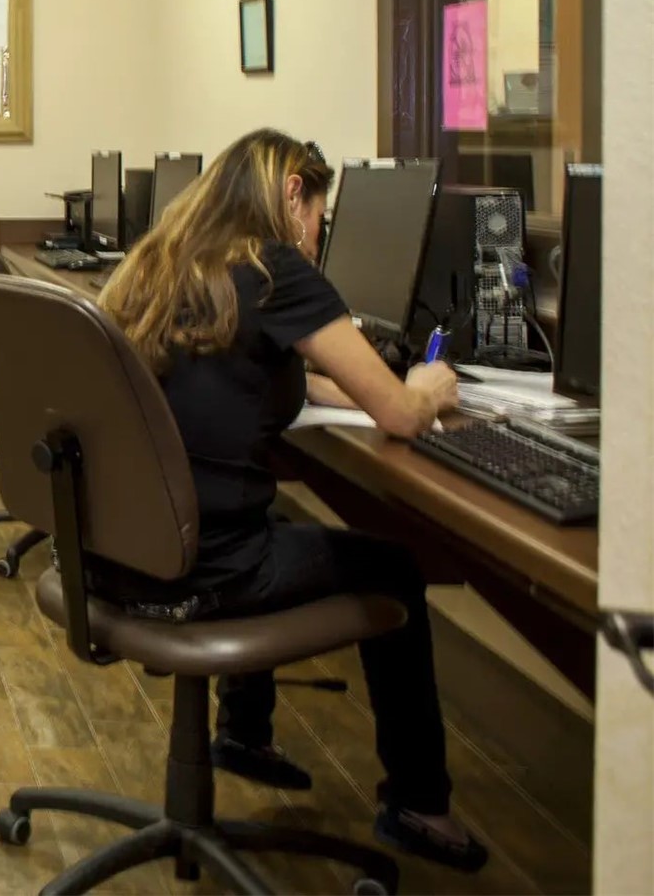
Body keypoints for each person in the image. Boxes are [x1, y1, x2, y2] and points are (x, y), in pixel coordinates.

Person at [96, 128, 487, 873]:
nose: (318, 238)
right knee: (393, 566)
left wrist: (345, 384)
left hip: (119, 557)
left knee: (266, 518)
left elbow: (259, 368)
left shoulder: (166, 265)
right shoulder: (273, 267)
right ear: (289, 196)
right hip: (204, 574)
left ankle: (244, 730)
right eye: (320, 218)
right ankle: (418, 803)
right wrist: (428, 388)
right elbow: (403, 415)